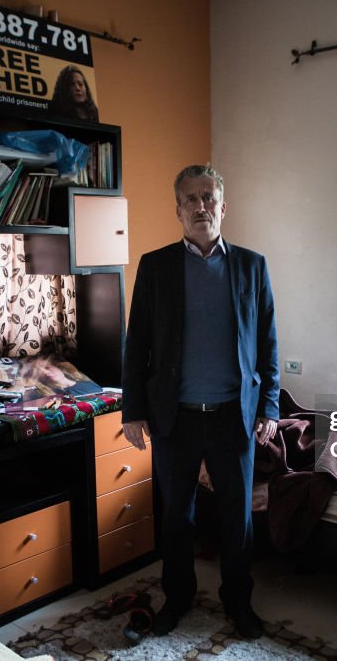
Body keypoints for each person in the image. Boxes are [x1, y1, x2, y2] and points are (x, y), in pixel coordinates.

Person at [121, 164, 279, 639]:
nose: (200, 206)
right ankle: (179, 598)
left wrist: (269, 406)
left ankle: (238, 601)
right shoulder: (156, 266)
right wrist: (132, 411)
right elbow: (137, 344)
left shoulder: (252, 266)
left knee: (237, 520)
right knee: (178, 519)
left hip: (234, 417)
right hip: (176, 419)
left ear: (223, 207)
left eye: (208, 196)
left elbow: (268, 342)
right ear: (178, 210)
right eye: (190, 199)